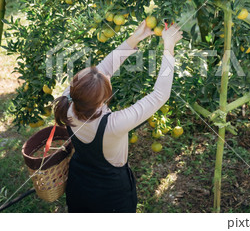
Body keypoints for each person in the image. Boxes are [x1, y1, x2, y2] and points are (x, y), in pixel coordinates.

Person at [53, 20, 183, 213]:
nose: (105, 73)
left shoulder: (68, 100)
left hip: (79, 185)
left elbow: (104, 69)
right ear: (103, 99)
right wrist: (169, 48)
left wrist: (136, 38)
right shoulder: (113, 125)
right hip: (111, 198)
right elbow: (159, 95)